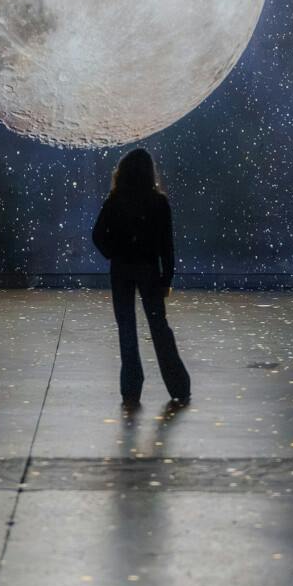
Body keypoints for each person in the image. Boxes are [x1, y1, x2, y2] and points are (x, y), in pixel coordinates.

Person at [91, 148, 191, 410]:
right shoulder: (158, 202)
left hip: (122, 269)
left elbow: (97, 235)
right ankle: (178, 385)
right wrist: (166, 278)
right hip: (149, 270)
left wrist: (115, 252)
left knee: (126, 329)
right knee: (159, 329)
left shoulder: (115, 199)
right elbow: (167, 246)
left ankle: (131, 388)